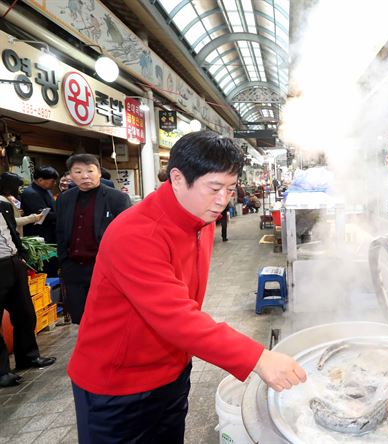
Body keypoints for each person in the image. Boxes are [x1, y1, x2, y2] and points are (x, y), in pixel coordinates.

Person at [67, 131, 306, 443]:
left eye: (230, 189)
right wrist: (259, 359)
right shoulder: (135, 233)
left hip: (172, 374)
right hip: (117, 387)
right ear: (177, 178)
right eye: (214, 188)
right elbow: (177, 317)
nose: (223, 200)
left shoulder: (200, 220)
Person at [56, 154, 131, 324]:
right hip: (74, 268)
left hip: (105, 269)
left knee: (107, 318)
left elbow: (127, 237)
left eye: (90, 170)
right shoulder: (64, 199)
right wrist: (64, 262)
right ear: (70, 175)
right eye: (78, 171)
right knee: (80, 318)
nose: (85, 176)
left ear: (99, 172)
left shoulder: (117, 198)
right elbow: (60, 232)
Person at [0, 195, 56, 388]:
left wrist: (21, 254)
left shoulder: (4, 206)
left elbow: (13, 232)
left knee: (25, 313)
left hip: (13, 262)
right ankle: (2, 372)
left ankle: (29, 357)